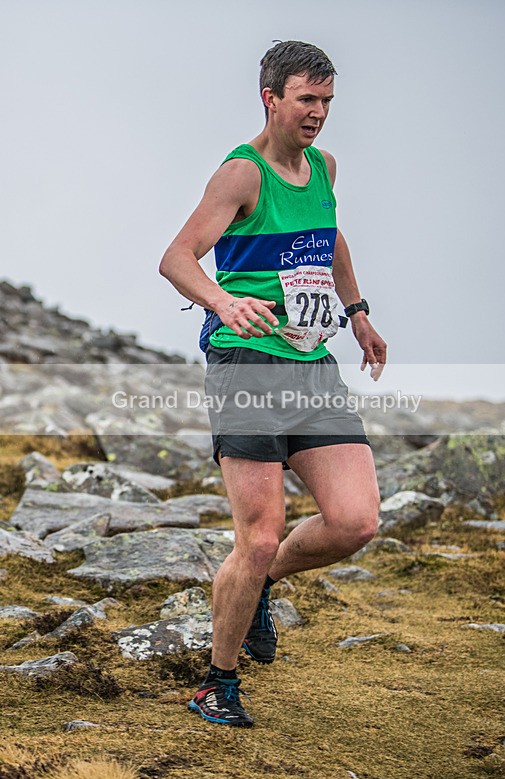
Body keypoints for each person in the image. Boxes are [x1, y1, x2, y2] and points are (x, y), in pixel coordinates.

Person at [159, 40, 387, 727]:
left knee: (354, 522)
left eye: (326, 102)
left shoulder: (323, 166)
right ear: (271, 98)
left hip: (311, 362)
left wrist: (357, 313)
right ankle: (215, 683)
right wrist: (223, 302)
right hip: (247, 364)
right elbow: (176, 257)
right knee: (256, 537)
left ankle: (258, 587)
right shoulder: (241, 174)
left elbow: (329, 237)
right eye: (306, 100)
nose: (317, 114)